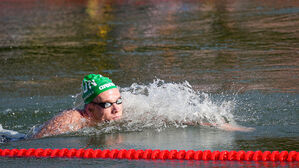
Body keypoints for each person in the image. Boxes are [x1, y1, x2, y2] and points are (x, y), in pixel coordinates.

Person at [33, 74, 123, 138]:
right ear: (90, 109)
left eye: (119, 101)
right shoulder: (70, 119)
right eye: (107, 104)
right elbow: (35, 141)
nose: (116, 109)